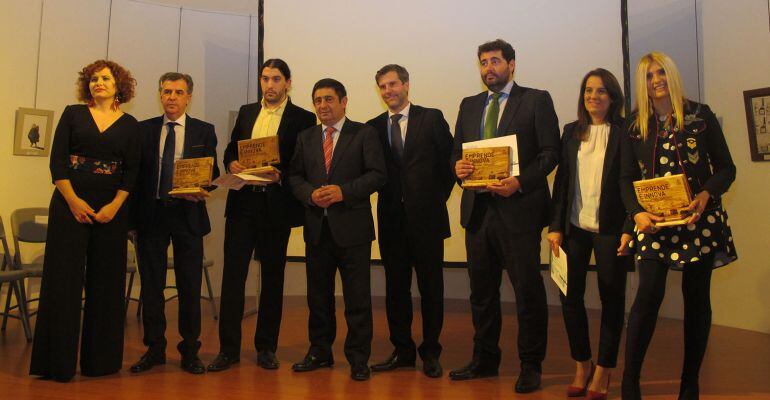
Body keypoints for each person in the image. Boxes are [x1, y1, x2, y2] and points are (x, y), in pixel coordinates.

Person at [619, 52, 737, 400]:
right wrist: (636, 213)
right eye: (648, 76)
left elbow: (727, 169)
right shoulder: (634, 125)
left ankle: (690, 383)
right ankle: (630, 382)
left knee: (697, 299)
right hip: (654, 224)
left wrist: (705, 195)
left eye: (661, 73)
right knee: (648, 295)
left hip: (698, 221)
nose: (656, 80)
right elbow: (625, 180)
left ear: (671, 75)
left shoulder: (701, 116)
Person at [450, 39, 560, 393]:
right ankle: (485, 358)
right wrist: (459, 168)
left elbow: (550, 153)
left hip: (518, 211)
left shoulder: (536, 100)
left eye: (495, 61)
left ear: (512, 64)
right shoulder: (469, 106)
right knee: (481, 293)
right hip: (479, 211)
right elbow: (456, 155)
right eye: (483, 63)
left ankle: (531, 365)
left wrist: (520, 182)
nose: (488, 69)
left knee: (527, 290)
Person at [29, 59, 140, 382]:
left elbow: (131, 172)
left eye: (104, 78)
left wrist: (115, 206)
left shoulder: (131, 125)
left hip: (111, 212)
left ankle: (100, 363)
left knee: (106, 285)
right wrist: (74, 201)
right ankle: (55, 364)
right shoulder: (73, 114)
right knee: (62, 283)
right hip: (69, 206)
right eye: (93, 79)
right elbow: (58, 164)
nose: (98, 83)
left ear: (119, 85)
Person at [208, 59, 316, 372]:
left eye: (276, 79)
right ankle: (228, 350)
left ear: (288, 83)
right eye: (265, 79)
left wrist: (279, 174)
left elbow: (303, 162)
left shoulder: (303, 118)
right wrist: (231, 164)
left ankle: (266, 347)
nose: (270, 85)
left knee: (272, 278)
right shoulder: (246, 112)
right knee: (233, 278)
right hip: (243, 205)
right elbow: (231, 149)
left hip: (276, 207)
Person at [288, 78, 386, 381]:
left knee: (357, 298)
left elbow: (377, 175)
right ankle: (320, 351)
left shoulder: (364, 133)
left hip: (352, 230)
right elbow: (293, 176)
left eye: (329, 99)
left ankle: (358, 358)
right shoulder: (305, 137)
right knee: (318, 297)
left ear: (344, 102)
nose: (322, 106)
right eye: (317, 100)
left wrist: (344, 191)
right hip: (317, 229)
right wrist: (309, 195)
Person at [546, 68, 633, 400]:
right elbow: (563, 185)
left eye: (600, 91)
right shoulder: (571, 132)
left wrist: (629, 229)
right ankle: (582, 363)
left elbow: (631, 185)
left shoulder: (626, 132)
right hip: (574, 229)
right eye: (587, 91)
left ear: (613, 97)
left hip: (611, 232)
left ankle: (604, 370)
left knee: (612, 300)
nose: (593, 97)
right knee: (570, 298)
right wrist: (555, 227)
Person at [365, 64, 453, 378]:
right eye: (383, 87)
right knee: (396, 289)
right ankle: (402, 351)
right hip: (391, 222)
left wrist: (428, 200)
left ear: (406, 85)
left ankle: (431, 352)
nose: (389, 91)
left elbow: (449, 166)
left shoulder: (431, 118)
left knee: (431, 289)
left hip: (427, 220)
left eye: (393, 84)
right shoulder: (372, 127)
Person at [130, 72, 219, 375]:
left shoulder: (204, 131)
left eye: (178, 92)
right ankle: (154, 349)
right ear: (160, 94)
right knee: (152, 287)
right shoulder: (143, 130)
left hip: (187, 216)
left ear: (188, 97)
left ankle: (190, 351)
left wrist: (203, 188)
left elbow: (212, 174)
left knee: (189, 286)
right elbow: (134, 178)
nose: (171, 97)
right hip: (151, 215)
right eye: (166, 91)